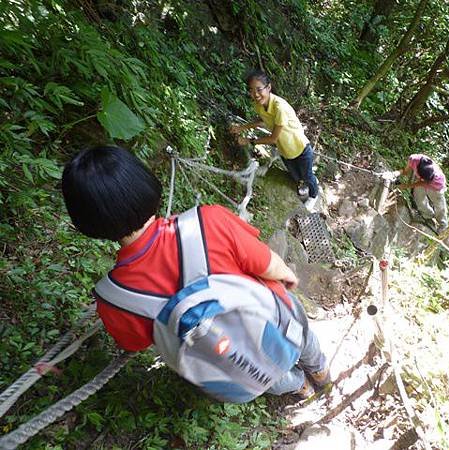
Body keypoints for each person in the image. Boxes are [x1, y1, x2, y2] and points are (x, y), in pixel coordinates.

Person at [61, 145, 329, 401]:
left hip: (235, 369)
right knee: (304, 340)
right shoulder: (208, 223)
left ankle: (301, 388)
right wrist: (287, 277)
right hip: (277, 323)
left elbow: (134, 344)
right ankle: (320, 372)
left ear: (86, 223)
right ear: (142, 182)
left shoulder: (114, 299)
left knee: (272, 378)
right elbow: (267, 263)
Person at [230, 69, 319, 211]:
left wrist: (248, 141)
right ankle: (308, 180)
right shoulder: (259, 104)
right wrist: (241, 128)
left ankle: (314, 195)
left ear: (269, 87)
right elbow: (262, 121)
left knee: (307, 176)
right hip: (285, 150)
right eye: (251, 90)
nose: (255, 94)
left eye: (259, 89)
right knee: (296, 176)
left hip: (301, 148)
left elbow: (273, 138)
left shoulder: (279, 107)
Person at [395, 154, 448, 232]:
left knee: (439, 205)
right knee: (418, 197)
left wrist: (406, 186)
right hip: (424, 182)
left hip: (436, 186)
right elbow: (406, 171)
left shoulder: (436, 178)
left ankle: (443, 225)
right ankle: (427, 215)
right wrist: (396, 173)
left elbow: (421, 183)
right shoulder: (414, 159)